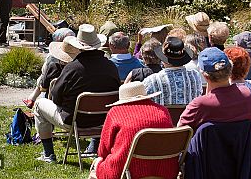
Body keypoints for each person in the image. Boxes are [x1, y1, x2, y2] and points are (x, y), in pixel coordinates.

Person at [33, 24, 120, 163]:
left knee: (38, 104)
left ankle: (48, 154)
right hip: (103, 120)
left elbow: (55, 96)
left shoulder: (72, 68)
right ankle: (93, 146)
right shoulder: (111, 66)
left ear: (78, 46)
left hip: (74, 120)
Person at [88, 82, 177, 179]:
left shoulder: (115, 112)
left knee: (97, 164)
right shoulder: (162, 110)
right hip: (165, 170)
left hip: (127, 170)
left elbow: (103, 151)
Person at [178, 47, 251, 130]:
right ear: (230, 69)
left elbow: (181, 132)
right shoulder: (245, 94)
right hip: (240, 143)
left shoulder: (200, 104)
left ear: (205, 75)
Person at [23, 28, 76, 108]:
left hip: (54, 98)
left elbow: (44, 84)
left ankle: (32, 99)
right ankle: (32, 98)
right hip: (73, 100)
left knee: (46, 75)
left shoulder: (52, 59)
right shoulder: (79, 61)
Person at [142, 37, 203, 106]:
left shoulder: (152, 80)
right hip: (191, 116)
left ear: (163, 59)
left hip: (163, 116)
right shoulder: (195, 76)